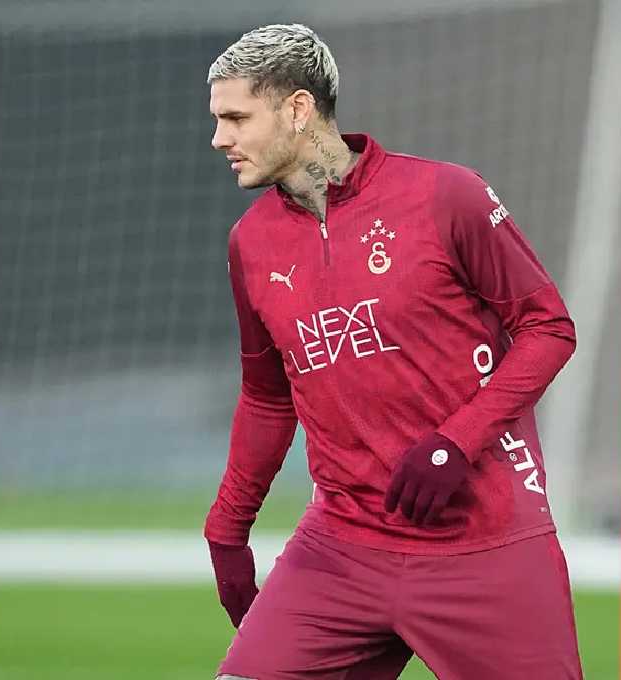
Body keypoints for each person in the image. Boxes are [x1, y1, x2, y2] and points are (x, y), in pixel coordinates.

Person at [204, 23, 582, 680]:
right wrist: (227, 528)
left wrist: (455, 443)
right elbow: (267, 397)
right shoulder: (250, 243)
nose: (219, 139)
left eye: (236, 118)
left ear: (298, 109)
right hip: (341, 546)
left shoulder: (445, 196)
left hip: (485, 540)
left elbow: (548, 327)